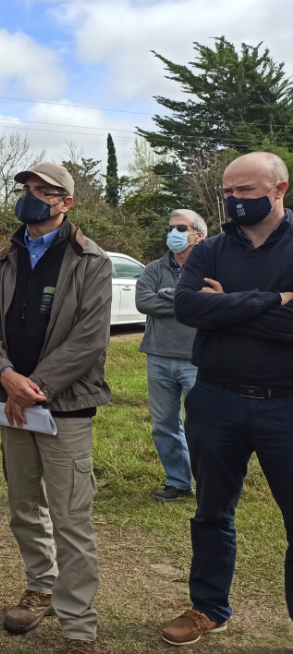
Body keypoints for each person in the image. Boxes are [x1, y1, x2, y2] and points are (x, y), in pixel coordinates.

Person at [0, 162, 113, 654]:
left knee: (71, 516)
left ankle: (78, 624)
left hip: (65, 408)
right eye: (27, 189)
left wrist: (35, 385)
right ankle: (41, 587)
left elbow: (90, 339)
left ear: (66, 202)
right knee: (23, 507)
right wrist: (6, 376)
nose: (31, 196)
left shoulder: (91, 261)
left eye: (44, 191)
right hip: (11, 404)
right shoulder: (3, 259)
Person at [163, 152, 293, 647]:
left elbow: (210, 310)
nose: (234, 200)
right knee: (211, 511)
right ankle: (207, 607)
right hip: (215, 401)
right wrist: (274, 298)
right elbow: (187, 306)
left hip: (287, 403)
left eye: (245, 191)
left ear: (280, 189)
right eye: (228, 192)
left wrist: (226, 306)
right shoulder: (210, 249)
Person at [135, 210, 206, 503]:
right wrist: (185, 299)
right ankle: (178, 482)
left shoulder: (211, 266)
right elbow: (143, 302)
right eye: (170, 227)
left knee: (204, 423)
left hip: (198, 357)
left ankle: (212, 484)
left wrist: (167, 296)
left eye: (181, 227)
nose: (173, 232)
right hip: (158, 356)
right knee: (164, 424)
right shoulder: (154, 267)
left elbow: (211, 302)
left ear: (198, 235)